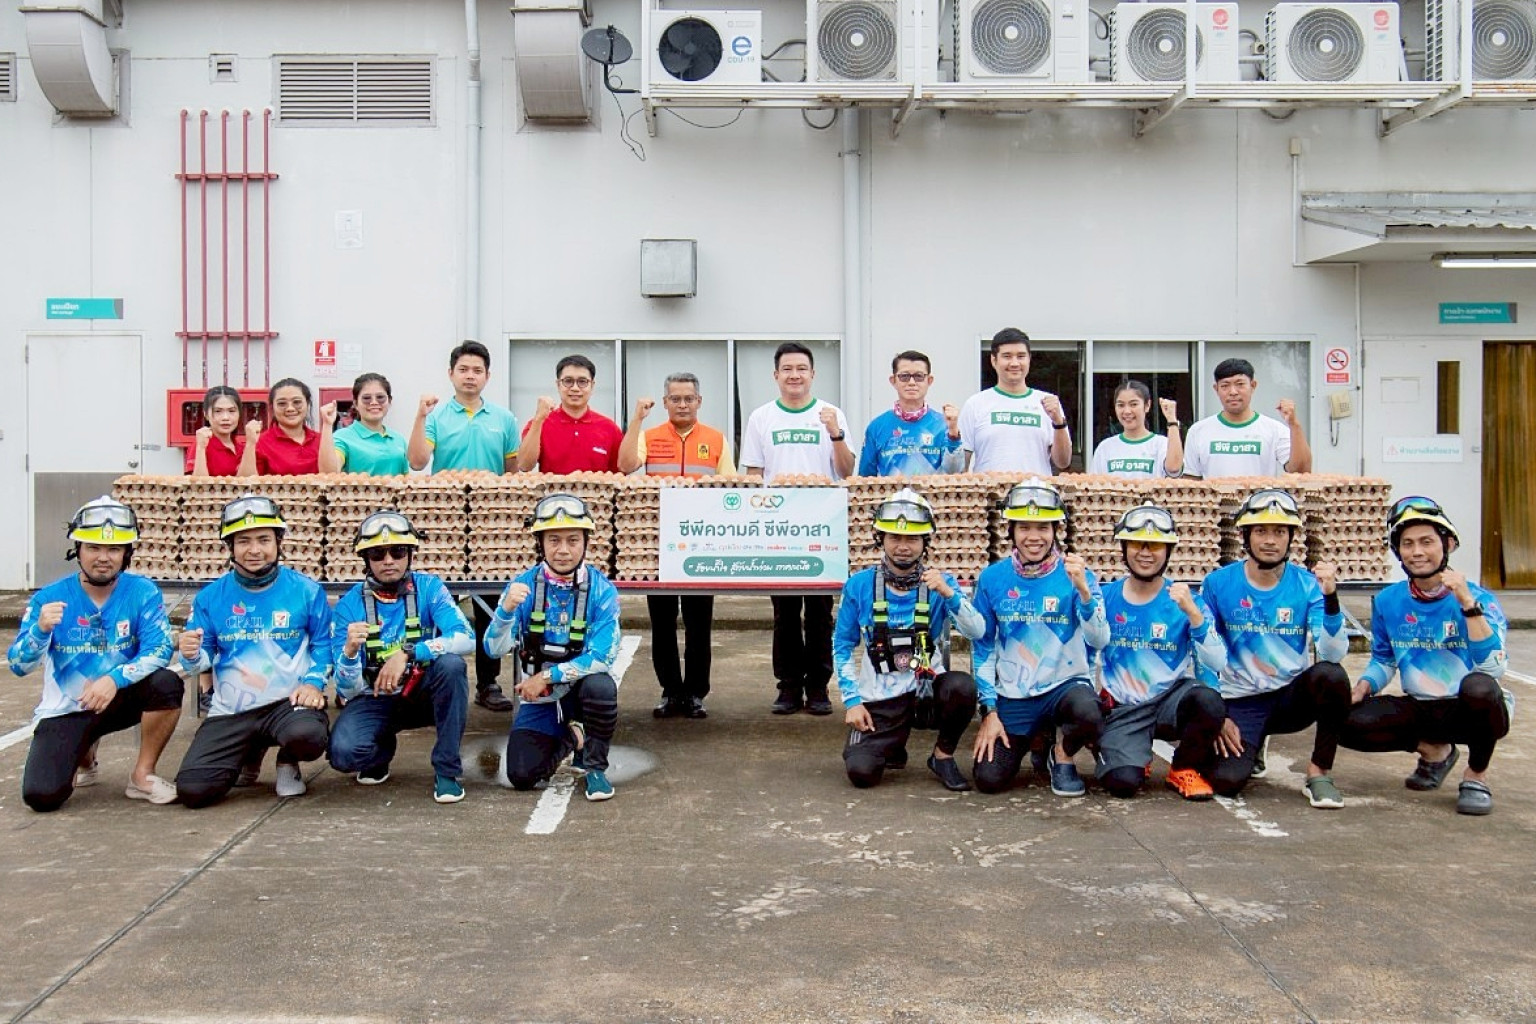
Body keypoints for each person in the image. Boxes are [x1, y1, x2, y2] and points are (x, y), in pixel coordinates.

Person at [1341, 497, 1512, 815]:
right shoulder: (1389, 600)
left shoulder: (1480, 599)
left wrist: (1467, 604)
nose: (1417, 552)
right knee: (1339, 719)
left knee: (1480, 687)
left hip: (1470, 709)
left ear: (1448, 544)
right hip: (1421, 706)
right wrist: (1363, 687)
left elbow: (1494, 668)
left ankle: (1476, 776)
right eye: (1407, 544)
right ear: (1398, 552)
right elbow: (1384, 659)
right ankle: (1435, 752)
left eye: (1426, 542)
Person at [9, 497, 183, 811]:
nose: (103, 558)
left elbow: (159, 649)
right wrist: (40, 630)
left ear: (127, 553)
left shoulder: (142, 592)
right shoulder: (48, 597)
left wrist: (114, 679)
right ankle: (84, 754)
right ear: (77, 549)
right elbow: (18, 665)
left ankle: (142, 775)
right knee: (42, 796)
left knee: (167, 683)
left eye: (114, 549)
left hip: (119, 697)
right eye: (93, 548)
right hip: (68, 708)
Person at [173, 495, 333, 808]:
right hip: (233, 709)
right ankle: (249, 751)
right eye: (243, 541)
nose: (254, 550)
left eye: (264, 539)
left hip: (287, 704)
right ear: (230, 547)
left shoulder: (307, 590)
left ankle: (287, 760)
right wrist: (190, 654)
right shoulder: (209, 597)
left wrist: (314, 683)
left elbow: (324, 646)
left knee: (308, 735)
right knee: (193, 790)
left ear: (279, 542)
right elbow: (200, 661)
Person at [1198, 488, 1350, 807]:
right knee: (1226, 782)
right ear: (1245, 536)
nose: (1270, 541)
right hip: (1241, 699)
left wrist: (1331, 600)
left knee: (1332, 675)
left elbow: (1332, 653)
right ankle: (1254, 744)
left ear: (1291, 537)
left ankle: (1319, 773)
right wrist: (1217, 713)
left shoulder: (1307, 585)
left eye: (1280, 532)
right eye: (1261, 531)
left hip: (1289, 698)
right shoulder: (1217, 583)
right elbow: (1203, 651)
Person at [835, 489, 984, 791]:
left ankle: (942, 756)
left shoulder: (941, 584)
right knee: (862, 773)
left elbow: (977, 631)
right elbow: (842, 646)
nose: (903, 546)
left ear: (925, 542)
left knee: (962, 687)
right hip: (881, 697)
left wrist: (949, 594)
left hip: (926, 690)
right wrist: (852, 701)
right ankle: (891, 745)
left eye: (913, 539)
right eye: (895, 537)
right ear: (881, 539)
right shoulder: (859, 585)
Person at [971, 478, 1107, 797]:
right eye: (1024, 528)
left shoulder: (1079, 575)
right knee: (989, 779)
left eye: (1043, 528)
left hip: (1065, 687)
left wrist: (1084, 592)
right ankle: (1038, 738)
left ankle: (1062, 755)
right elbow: (983, 646)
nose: (1034, 537)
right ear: (1011, 531)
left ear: (1056, 530)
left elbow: (1099, 639)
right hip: (1015, 692)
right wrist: (989, 711)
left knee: (1090, 713)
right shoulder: (992, 578)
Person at [739, 342, 855, 716]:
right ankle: (788, 686)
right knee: (785, 612)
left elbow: (847, 471)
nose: (794, 375)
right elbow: (754, 474)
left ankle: (818, 687)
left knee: (820, 611)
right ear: (776, 375)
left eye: (801, 368)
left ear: (813, 374)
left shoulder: (831, 414)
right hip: (778, 529)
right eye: (787, 369)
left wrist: (835, 433)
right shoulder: (762, 417)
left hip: (823, 527)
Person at [407, 340, 522, 713]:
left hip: (490, 526)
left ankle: (488, 683)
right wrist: (420, 415)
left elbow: (513, 472)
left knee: (491, 604)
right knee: (441, 606)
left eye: (477, 370)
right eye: (463, 370)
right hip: (447, 526)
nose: (470, 376)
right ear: (451, 373)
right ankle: (434, 683)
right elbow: (417, 461)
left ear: (487, 376)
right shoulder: (436, 417)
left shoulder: (504, 419)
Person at [329, 511, 474, 803]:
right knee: (343, 754)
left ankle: (447, 771)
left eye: (397, 551)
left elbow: (465, 637)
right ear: (365, 559)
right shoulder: (348, 606)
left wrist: (409, 653)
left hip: (424, 693)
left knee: (451, 666)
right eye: (377, 554)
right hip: (375, 697)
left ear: (409, 555)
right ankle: (379, 753)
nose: (388, 560)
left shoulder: (430, 588)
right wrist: (349, 654)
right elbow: (347, 691)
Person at [485, 494, 623, 801]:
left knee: (601, 687)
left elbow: (603, 657)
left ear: (585, 542)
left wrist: (546, 677)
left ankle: (595, 766)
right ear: (540, 543)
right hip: (542, 700)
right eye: (554, 540)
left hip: (576, 689)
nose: (563, 550)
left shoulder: (602, 591)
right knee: (521, 775)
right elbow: (493, 649)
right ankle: (572, 737)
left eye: (573, 540)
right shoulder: (522, 586)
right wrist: (505, 613)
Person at [617, 372, 734, 719]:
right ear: (665, 402)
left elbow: (730, 487)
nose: (682, 405)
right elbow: (625, 465)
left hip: (702, 545)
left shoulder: (716, 439)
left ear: (699, 401)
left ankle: (696, 693)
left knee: (699, 625)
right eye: (675, 399)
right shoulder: (650, 436)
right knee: (662, 624)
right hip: (659, 547)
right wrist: (637, 420)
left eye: (689, 399)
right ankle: (670, 691)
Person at [1094, 504, 1228, 800]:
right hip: (1125, 708)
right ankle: (1130, 755)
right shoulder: (1105, 597)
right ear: (1123, 548)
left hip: (1170, 701)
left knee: (1208, 700)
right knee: (1122, 783)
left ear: (1168, 551)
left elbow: (1217, 661)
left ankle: (1183, 768)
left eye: (1155, 545)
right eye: (1137, 544)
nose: (1146, 553)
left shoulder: (1187, 600)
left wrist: (1194, 615)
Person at [958, 328, 1072, 476]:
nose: (1014, 363)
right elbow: (960, 466)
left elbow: (1063, 462)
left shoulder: (1048, 403)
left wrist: (1058, 422)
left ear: (1029, 359)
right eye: (1007, 356)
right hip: (989, 491)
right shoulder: (975, 404)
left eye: (1021, 356)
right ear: (994, 360)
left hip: (1035, 490)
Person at [1181, 358, 1312, 478]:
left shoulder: (1274, 429)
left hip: (1261, 497)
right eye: (1225, 386)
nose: (1233, 392)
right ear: (1216, 389)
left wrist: (1294, 425)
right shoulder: (1198, 431)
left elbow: (1301, 471)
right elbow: (1191, 480)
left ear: (1253, 386)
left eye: (1240, 384)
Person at [856, 351, 964, 477]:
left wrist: (953, 434)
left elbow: (954, 472)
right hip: (890, 491)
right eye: (904, 376)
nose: (912, 382)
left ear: (929, 381)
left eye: (919, 376)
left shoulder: (943, 425)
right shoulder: (877, 427)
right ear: (893, 380)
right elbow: (865, 478)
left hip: (931, 491)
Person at [517, 354, 623, 474]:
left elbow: (620, 472)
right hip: (552, 487)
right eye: (568, 381)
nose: (575, 388)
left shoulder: (609, 428)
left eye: (582, 382)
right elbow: (524, 465)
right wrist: (539, 419)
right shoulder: (539, 423)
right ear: (558, 384)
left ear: (592, 386)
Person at [1089, 381, 1184, 479]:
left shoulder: (1162, 444)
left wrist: (1172, 420)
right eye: (1121, 405)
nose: (1127, 411)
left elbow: (1174, 468)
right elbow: (1094, 484)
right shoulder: (1105, 448)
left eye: (1133, 404)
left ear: (1147, 405)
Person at [320, 372, 409, 476]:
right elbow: (329, 473)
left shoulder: (399, 439)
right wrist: (327, 425)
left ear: (389, 401)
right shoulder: (342, 437)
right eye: (366, 398)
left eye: (380, 397)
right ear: (356, 404)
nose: (374, 402)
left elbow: (405, 479)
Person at [255, 377, 328, 476]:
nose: (290, 408)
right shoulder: (261, 443)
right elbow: (250, 482)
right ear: (272, 408)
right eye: (282, 403)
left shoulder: (322, 440)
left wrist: (328, 424)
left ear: (307, 404)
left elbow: (331, 475)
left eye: (297, 402)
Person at [188, 385, 260, 477]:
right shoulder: (201, 445)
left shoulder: (241, 447)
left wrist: (250, 443)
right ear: (206, 414)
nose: (225, 418)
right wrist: (201, 448)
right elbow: (198, 484)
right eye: (218, 411)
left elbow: (248, 482)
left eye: (231, 411)